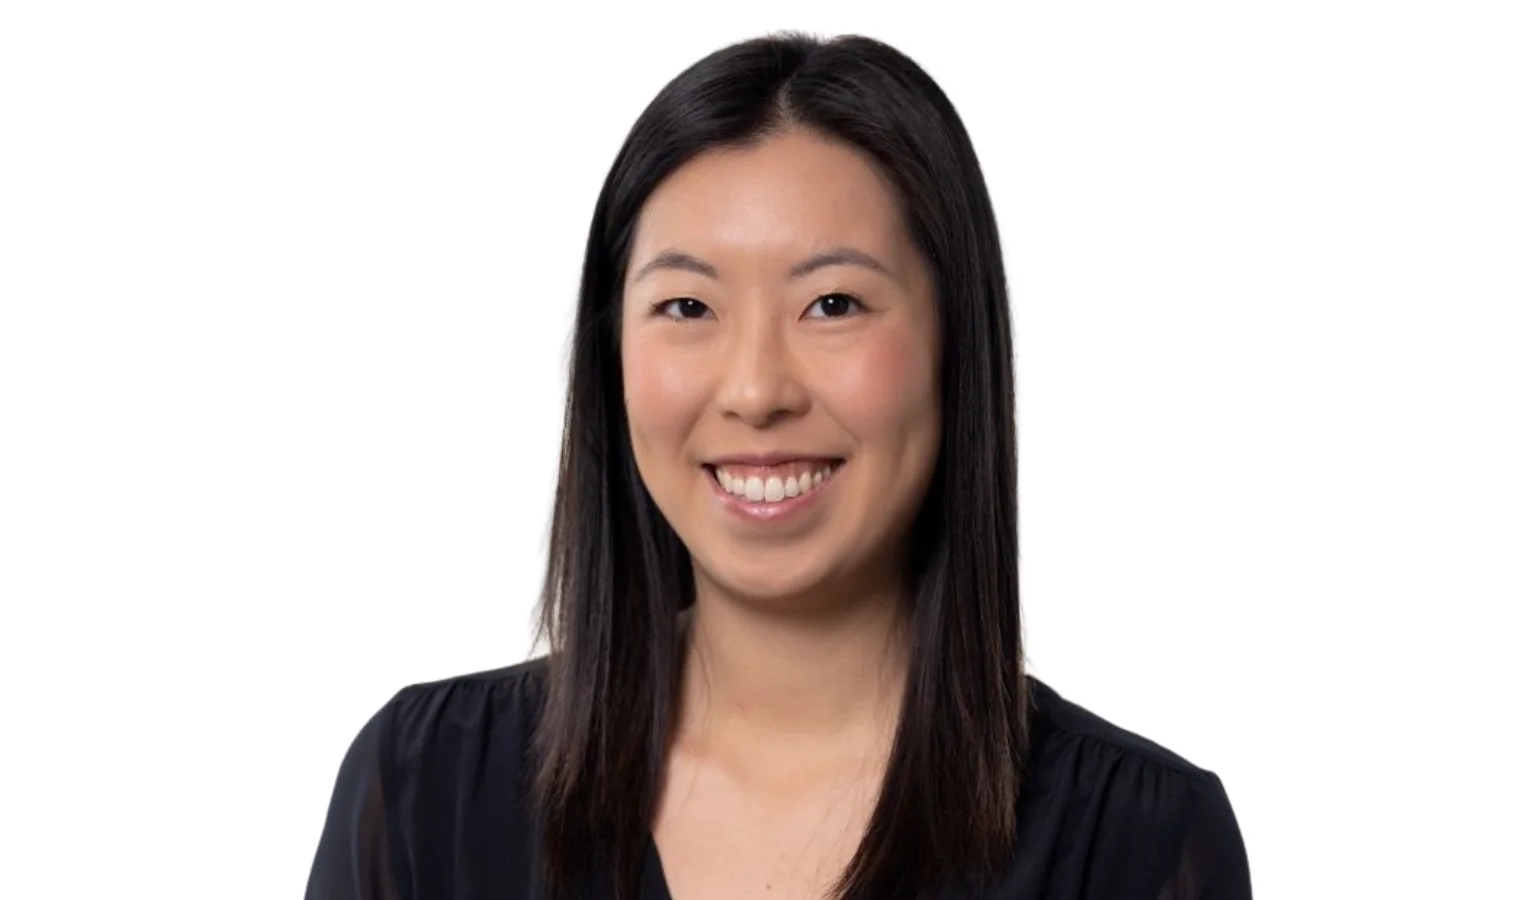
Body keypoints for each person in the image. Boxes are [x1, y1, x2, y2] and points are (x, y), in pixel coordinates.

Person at [305, 31, 1252, 900]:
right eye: (687, 307)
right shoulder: (425, 790)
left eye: (833, 304)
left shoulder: (1138, 846)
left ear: (955, 346)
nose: (756, 390)